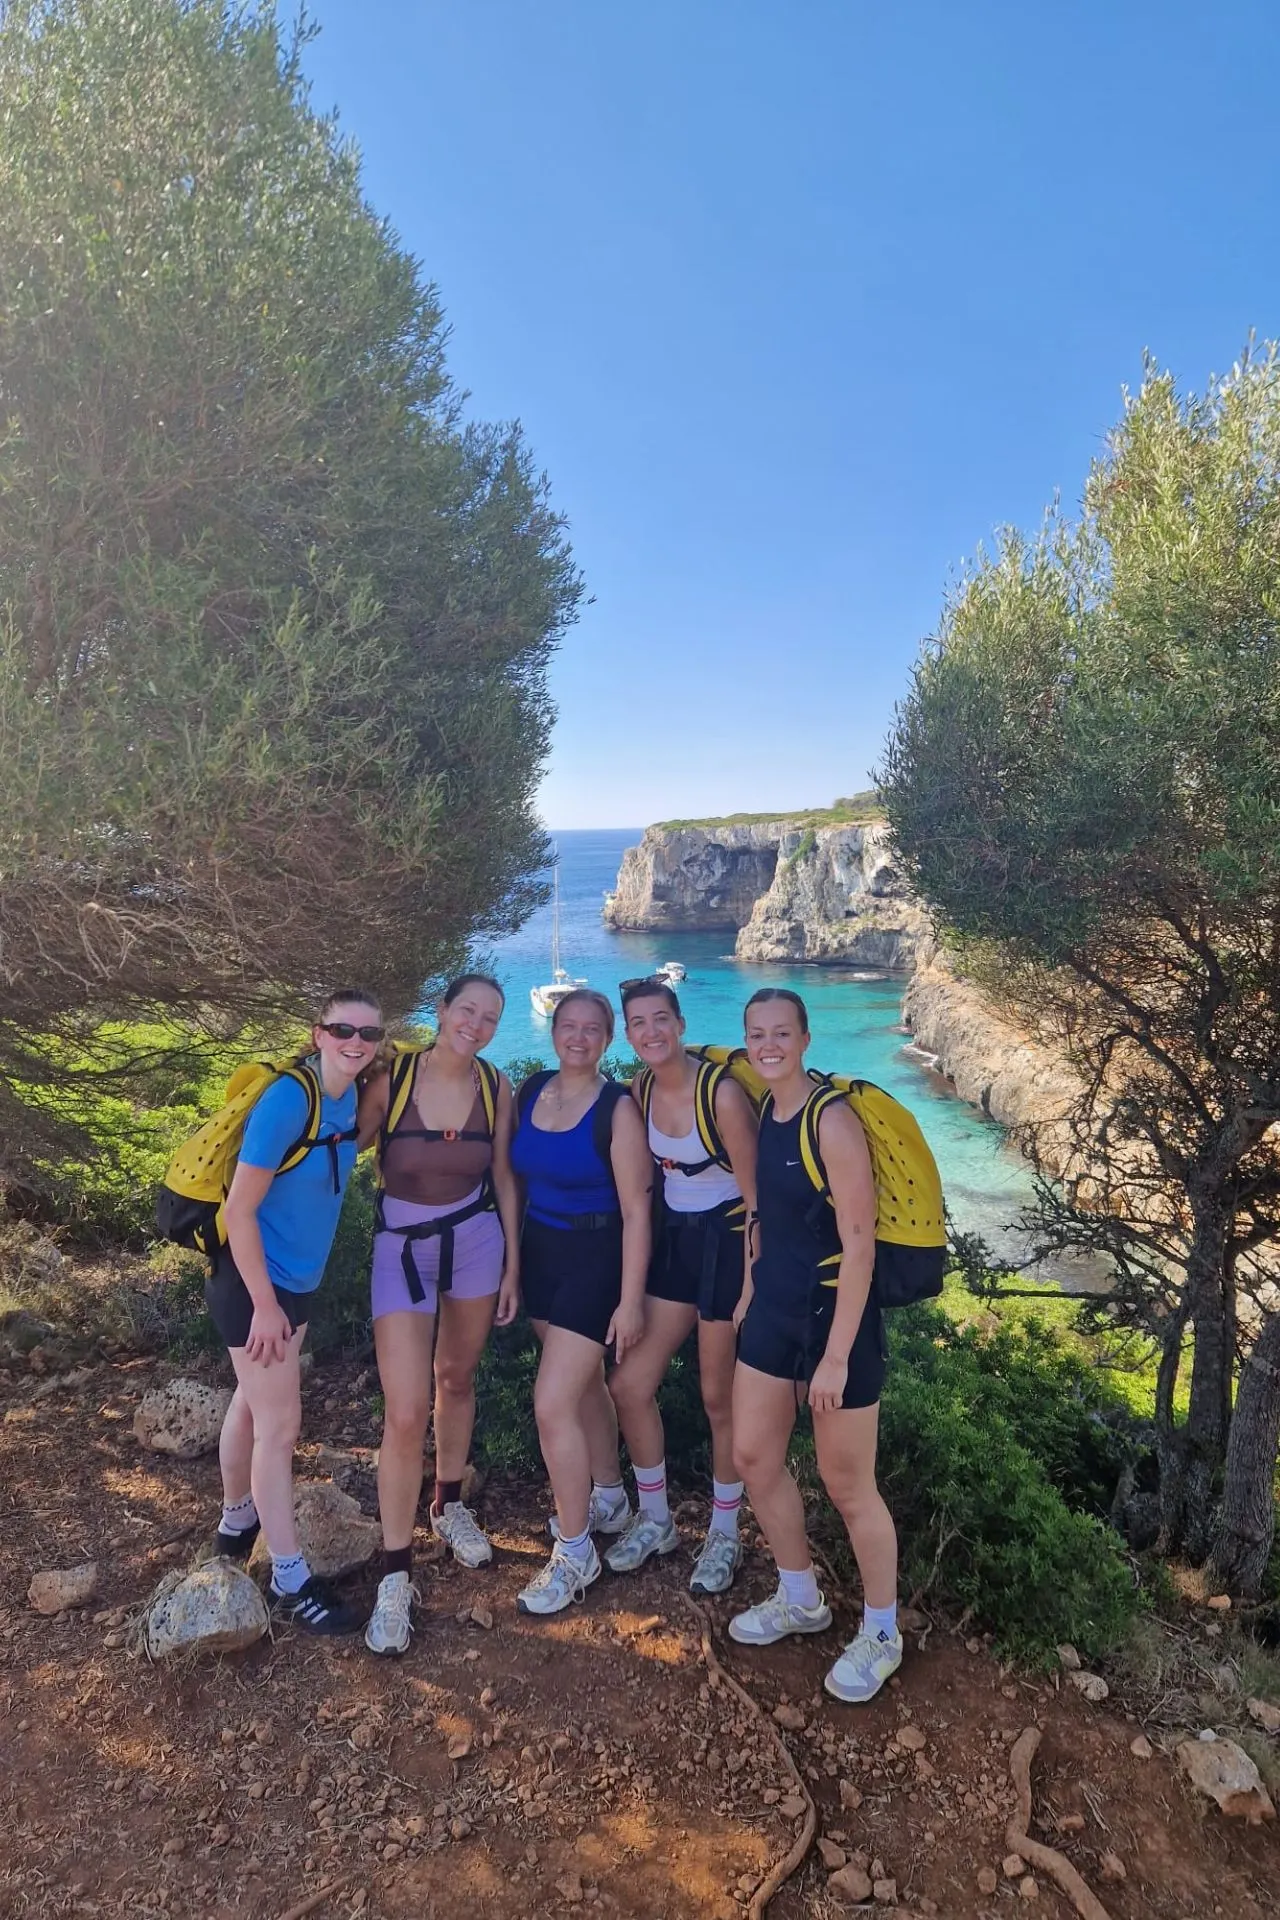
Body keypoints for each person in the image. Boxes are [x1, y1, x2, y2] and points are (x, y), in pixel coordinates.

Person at [728, 987, 903, 1704]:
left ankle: (883, 1631)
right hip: (772, 1306)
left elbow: (859, 1245)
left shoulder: (831, 1120)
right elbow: (760, 1211)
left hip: (837, 1314)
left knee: (847, 1483)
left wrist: (836, 1355)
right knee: (752, 1457)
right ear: (747, 1041)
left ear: (805, 1038)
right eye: (757, 1034)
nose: (769, 1045)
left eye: (782, 1033)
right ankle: (800, 1597)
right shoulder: (766, 1110)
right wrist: (747, 1289)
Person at [206, 989, 384, 1635]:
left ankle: (235, 1523)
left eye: (369, 1032)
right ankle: (288, 1577)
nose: (356, 1040)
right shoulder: (290, 1099)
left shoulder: (342, 1098)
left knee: (251, 1405)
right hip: (258, 1286)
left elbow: (336, 1154)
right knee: (280, 1428)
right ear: (317, 1033)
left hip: (292, 1284)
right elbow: (239, 1211)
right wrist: (262, 1306)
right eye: (343, 1029)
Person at [357, 974, 520, 1658]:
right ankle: (396, 1575)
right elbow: (342, 1151)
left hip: (478, 1241)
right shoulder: (391, 1083)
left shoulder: (495, 1086)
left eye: (489, 1017)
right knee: (404, 1409)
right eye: (466, 1011)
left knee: (456, 1378)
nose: (476, 1025)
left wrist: (513, 1264)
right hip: (401, 1250)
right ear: (440, 1011)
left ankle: (448, 1503)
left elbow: (505, 1175)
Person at [604, 977, 757, 1594]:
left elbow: (756, 1200)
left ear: (681, 1023)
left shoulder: (717, 1093)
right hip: (675, 1247)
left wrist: (751, 1286)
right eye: (638, 1022)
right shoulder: (638, 1090)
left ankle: (725, 1533)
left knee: (718, 1397)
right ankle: (657, 1518)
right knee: (628, 1383)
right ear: (629, 1033)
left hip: (727, 1246)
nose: (651, 1032)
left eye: (660, 1019)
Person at [510, 989, 652, 1616]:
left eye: (592, 1029)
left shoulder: (617, 1109)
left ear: (608, 1038)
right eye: (569, 1026)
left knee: (551, 1404)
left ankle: (575, 1552)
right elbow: (512, 1181)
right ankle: (611, 1497)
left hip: (597, 1259)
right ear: (553, 1030)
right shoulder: (532, 1089)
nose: (578, 1037)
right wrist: (514, 1267)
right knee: (585, 1384)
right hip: (541, 1253)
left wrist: (630, 1301)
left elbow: (637, 1210)